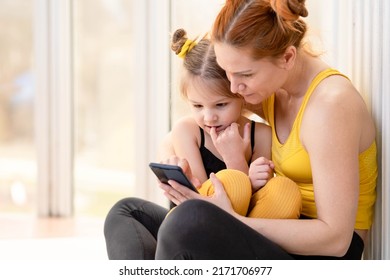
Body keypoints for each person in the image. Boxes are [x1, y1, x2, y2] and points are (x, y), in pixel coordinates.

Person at [154, 0, 377, 260]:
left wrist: (230, 219)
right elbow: (197, 123)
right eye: (228, 73)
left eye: (244, 75)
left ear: (288, 57)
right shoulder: (272, 89)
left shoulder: (331, 106)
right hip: (271, 224)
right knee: (128, 213)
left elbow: (335, 240)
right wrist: (172, 154)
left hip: (320, 254)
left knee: (186, 222)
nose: (234, 87)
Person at [103, 27, 301, 259]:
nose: (209, 117)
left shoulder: (261, 134)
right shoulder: (188, 131)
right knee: (124, 209)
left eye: (220, 105)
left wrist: (242, 166)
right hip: (188, 229)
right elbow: (199, 203)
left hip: (239, 233)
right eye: (197, 106)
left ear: (240, 95)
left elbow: (240, 208)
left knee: (282, 191)